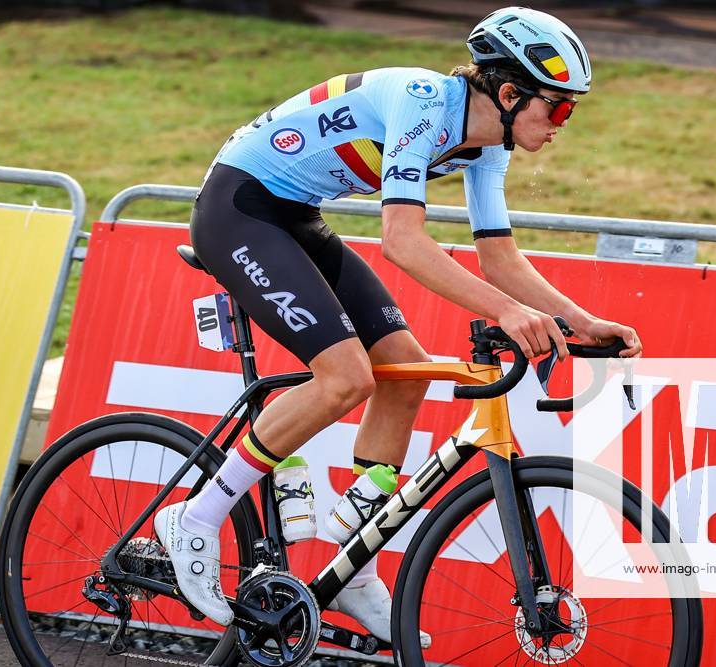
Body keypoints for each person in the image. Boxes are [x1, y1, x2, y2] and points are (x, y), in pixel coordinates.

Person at [153, 5, 642, 646]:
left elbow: (498, 254)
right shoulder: (421, 101)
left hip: (296, 218)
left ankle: (351, 567)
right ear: (509, 90)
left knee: (404, 374)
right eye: (559, 108)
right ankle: (196, 516)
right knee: (345, 377)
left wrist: (580, 321)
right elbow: (402, 241)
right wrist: (505, 311)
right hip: (239, 209)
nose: (561, 125)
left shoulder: (485, 147)